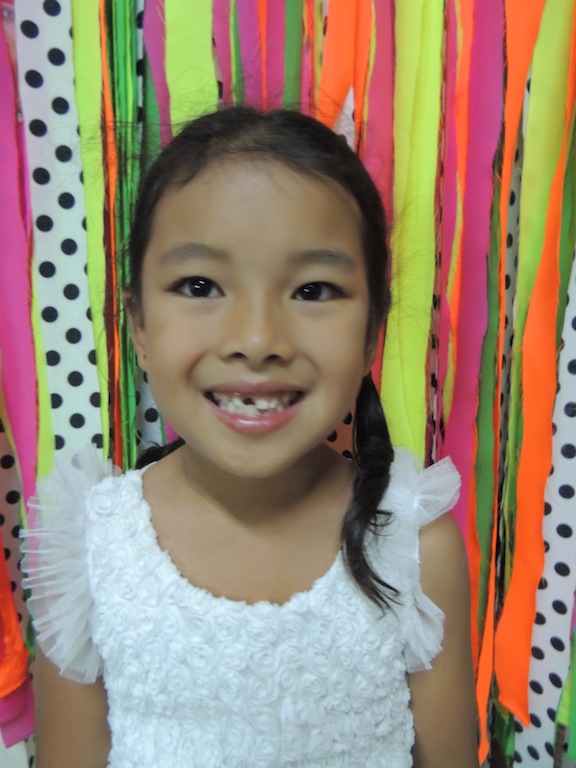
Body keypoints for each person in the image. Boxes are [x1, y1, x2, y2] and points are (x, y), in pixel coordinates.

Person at [22, 107, 479, 768]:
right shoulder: (89, 547)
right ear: (139, 325)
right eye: (200, 285)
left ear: (371, 334)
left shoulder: (414, 547)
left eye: (313, 289)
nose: (258, 340)